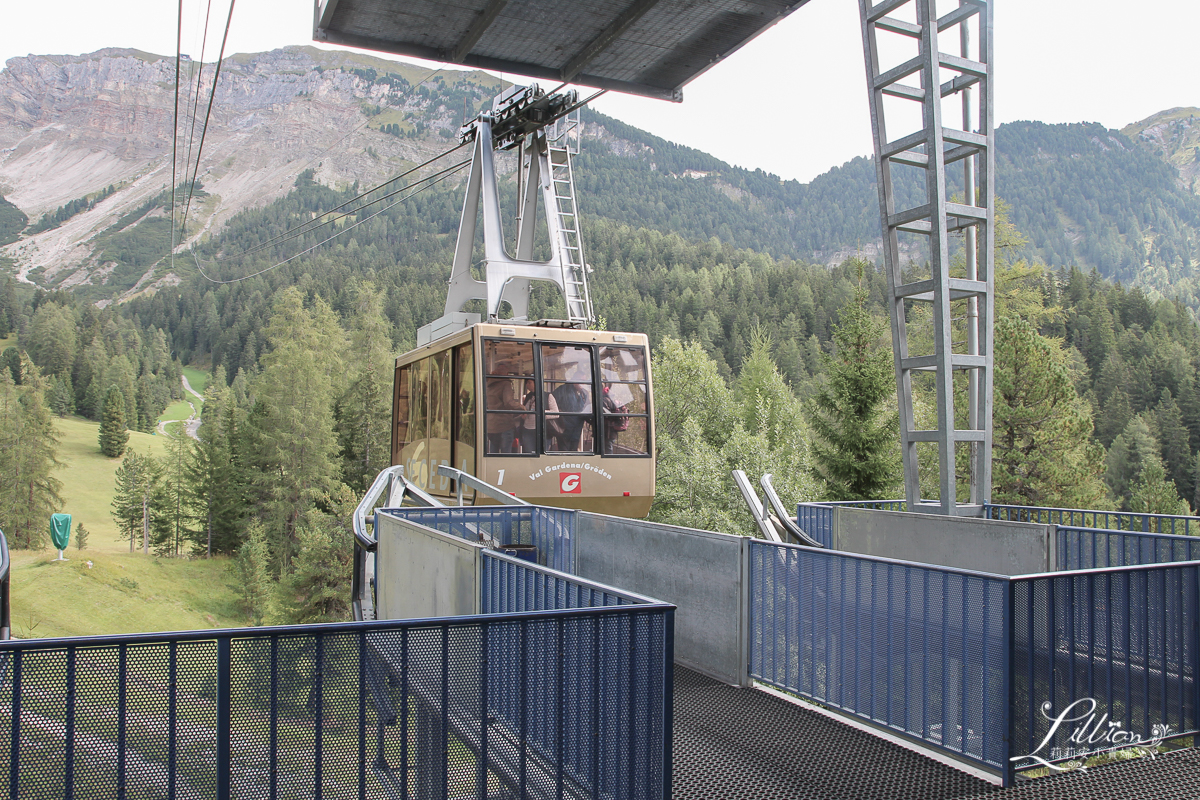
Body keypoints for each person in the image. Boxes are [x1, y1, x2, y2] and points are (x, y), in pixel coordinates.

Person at [486, 372, 522, 453]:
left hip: (491, 425)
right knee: (506, 453)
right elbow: (509, 402)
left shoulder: (488, 386)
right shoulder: (506, 384)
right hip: (504, 424)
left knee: (493, 452)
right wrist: (522, 408)